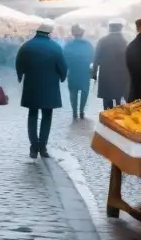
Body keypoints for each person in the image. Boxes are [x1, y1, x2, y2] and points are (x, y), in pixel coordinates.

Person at [16, 22, 67, 159]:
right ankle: (43, 147)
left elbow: (19, 62)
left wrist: (20, 75)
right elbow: (62, 66)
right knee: (47, 116)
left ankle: (33, 147)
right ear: (49, 33)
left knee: (32, 115)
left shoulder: (26, 46)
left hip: (31, 85)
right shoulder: (55, 47)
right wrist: (62, 77)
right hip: (50, 86)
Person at [92, 21, 130, 109]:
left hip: (106, 74)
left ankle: (107, 114)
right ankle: (117, 114)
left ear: (109, 29)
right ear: (120, 29)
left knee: (106, 98)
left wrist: (94, 73)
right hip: (121, 74)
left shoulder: (102, 41)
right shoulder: (125, 41)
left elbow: (96, 57)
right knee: (119, 97)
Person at [62, 24, 95, 119]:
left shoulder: (68, 45)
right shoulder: (88, 45)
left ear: (72, 33)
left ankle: (74, 112)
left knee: (73, 93)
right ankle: (81, 111)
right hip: (85, 73)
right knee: (84, 93)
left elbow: (63, 59)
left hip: (72, 73)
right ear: (82, 33)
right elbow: (93, 58)